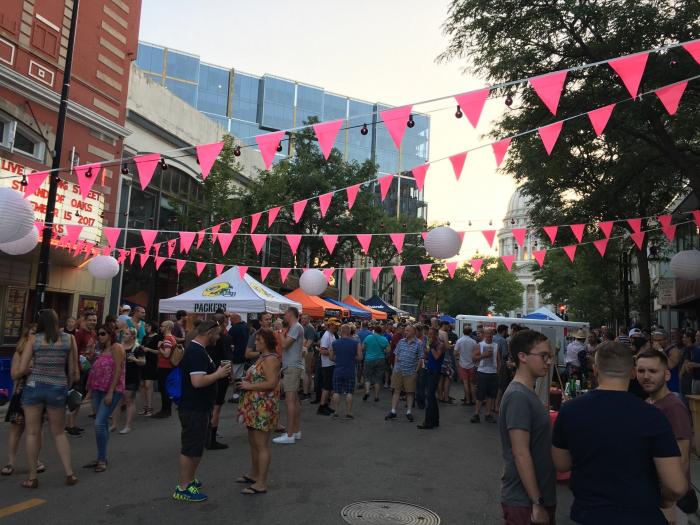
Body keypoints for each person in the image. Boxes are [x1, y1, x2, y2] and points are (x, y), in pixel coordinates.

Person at [552, 342, 687, 524]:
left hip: (589, 514)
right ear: (632, 373)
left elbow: (561, 463)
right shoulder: (652, 416)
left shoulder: (570, 410)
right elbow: (676, 486)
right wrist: (665, 500)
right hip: (641, 516)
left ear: (595, 369)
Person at [499, 330, 556, 525]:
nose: (548, 361)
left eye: (549, 356)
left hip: (535, 498)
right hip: (525, 502)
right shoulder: (518, 396)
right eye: (543, 356)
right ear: (522, 357)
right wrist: (536, 502)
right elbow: (520, 453)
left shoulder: (526, 392)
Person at [18, 309, 79, 488]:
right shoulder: (69, 339)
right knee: (59, 433)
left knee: (32, 432)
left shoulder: (33, 339)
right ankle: (69, 473)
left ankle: (32, 477)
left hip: (34, 387)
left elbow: (22, 368)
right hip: (57, 387)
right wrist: (65, 385)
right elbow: (73, 371)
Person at [172, 320, 231, 503]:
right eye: (217, 333)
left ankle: (189, 480)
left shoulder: (199, 350)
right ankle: (183, 487)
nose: (219, 337)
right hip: (194, 407)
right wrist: (218, 374)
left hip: (198, 407)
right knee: (191, 448)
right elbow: (197, 382)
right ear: (209, 333)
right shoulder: (197, 351)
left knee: (196, 446)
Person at [637, 350, 695, 522]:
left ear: (667, 375)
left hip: (669, 501)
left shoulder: (673, 408)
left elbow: (682, 460)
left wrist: (667, 501)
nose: (646, 376)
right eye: (641, 371)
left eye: (653, 371)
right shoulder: (648, 403)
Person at [237, 327, 281, 495]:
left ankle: (261, 482)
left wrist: (249, 385)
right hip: (255, 405)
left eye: (258, 340)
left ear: (266, 342)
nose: (255, 343)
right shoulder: (263, 357)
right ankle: (254, 474)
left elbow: (271, 383)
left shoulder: (271, 359)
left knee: (261, 445)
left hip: (263, 406)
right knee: (254, 442)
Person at [2, 324, 45, 477]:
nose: (35, 336)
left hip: (39, 394)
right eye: (33, 333)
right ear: (27, 335)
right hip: (21, 394)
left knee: (36, 431)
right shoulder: (19, 353)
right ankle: (11, 462)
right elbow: (13, 375)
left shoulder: (43, 352)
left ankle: (35, 460)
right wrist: (25, 370)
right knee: (16, 430)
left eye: (38, 333)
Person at [84, 324, 125, 473]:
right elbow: (96, 369)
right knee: (101, 423)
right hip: (97, 389)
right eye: (98, 334)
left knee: (99, 423)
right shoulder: (101, 350)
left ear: (110, 334)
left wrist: (111, 392)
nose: (100, 336)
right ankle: (101, 456)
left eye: (103, 334)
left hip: (111, 390)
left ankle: (101, 459)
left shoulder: (116, 347)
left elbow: (118, 370)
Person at [272, 307, 304, 444]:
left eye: (285, 314)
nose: (283, 317)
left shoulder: (296, 326)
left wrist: (280, 330)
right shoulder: (295, 327)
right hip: (292, 366)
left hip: (292, 366)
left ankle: (290, 434)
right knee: (294, 400)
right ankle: (295, 431)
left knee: (289, 401)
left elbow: (284, 344)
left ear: (290, 314)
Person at [66, 311, 98, 436]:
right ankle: (69, 425)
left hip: (87, 369)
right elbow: (73, 352)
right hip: (78, 369)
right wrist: (75, 369)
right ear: (85, 320)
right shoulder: (79, 334)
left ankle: (73, 424)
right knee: (75, 397)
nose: (93, 322)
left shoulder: (93, 334)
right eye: (90, 320)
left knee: (80, 397)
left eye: (94, 320)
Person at [386, 325, 423, 423]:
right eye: (405, 330)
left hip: (410, 372)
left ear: (413, 332)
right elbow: (396, 354)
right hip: (398, 371)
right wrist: (395, 367)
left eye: (408, 330)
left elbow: (420, 358)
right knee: (396, 391)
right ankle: (393, 411)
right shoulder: (401, 342)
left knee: (410, 392)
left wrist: (416, 371)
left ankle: (409, 412)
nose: (405, 332)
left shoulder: (419, 343)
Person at [111, 327, 145, 434]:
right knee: (117, 401)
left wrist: (135, 359)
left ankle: (127, 426)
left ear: (133, 336)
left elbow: (143, 362)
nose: (124, 336)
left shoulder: (137, 348)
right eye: (124, 334)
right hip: (119, 376)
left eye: (127, 334)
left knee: (129, 401)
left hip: (132, 377)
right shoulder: (119, 346)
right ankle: (114, 425)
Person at [329, 324, 362, 419]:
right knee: (349, 392)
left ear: (340, 331)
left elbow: (331, 357)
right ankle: (349, 413)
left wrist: (338, 359)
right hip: (350, 371)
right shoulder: (356, 343)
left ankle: (336, 412)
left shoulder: (334, 343)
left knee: (336, 392)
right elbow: (360, 357)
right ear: (349, 332)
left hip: (338, 370)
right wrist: (352, 358)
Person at [419, 327, 444, 430]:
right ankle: (435, 420)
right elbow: (429, 356)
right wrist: (426, 353)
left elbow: (437, 356)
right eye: (428, 334)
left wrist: (431, 348)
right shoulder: (431, 343)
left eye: (430, 334)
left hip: (435, 372)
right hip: (429, 370)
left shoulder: (439, 344)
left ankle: (428, 422)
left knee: (429, 396)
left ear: (435, 335)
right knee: (431, 396)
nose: (428, 336)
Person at [472, 329, 499, 423]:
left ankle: (488, 414)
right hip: (482, 372)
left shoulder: (496, 345)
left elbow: (498, 359)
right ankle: (476, 414)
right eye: (487, 334)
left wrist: (498, 371)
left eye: (491, 335)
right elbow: (473, 358)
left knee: (491, 395)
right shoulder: (480, 345)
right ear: (484, 335)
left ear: (493, 335)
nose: (489, 336)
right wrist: (484, 355)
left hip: (493, 373)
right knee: (480, 395)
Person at [153, 320, 176, 418]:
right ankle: (166, 410)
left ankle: (165, 410)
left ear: (167, 327)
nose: (160, 328)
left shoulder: (167, 339)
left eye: (162, 326)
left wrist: (159, 347)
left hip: (165, 367)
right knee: (166, 389)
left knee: (164, 389)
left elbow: (166, 354)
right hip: (169, 367)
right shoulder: (172, 338)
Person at [317, 318, 340, 416]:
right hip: (327, 365)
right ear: (330, 325)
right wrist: (334, 353)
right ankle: (321, 407)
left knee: (329, 387)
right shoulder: (326, 336)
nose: (337, 327)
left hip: (330, 364)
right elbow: (322, 351)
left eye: (337, 325)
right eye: (335, 325)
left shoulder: (332, 335)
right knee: (326, 387)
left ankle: (325, 405)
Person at [362, 325, 390, 402]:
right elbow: (388, 350)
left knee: (367, 377)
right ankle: (376, 396)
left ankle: (367, 391)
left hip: (369, 359)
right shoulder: (384, 339)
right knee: (378, 378)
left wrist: (369, 349)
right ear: (381, 331)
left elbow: (363, 347)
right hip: (380, 359)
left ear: (374, 330)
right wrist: (383, 351)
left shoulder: (368, 337)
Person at [139, 321, 160, 417]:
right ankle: (145, 407)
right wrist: (141, 348)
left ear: (153, 327)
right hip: (143, 361)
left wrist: (149, 349)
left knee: (148, 385)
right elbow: (142, 348)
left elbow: (159, 351)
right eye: (146, 326)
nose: (146, 327)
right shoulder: (145, 337)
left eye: (148, 326)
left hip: (152, 363)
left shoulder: (158, 337)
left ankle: (150, 408)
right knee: (142, 385)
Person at [653, 329, 683, 395]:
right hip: (659, 387)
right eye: (655, 340)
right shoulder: (656, 350)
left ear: (666, 340)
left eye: (659, 340)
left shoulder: (674, 350)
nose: (656, 343)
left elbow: (670, 365)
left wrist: (660, 350)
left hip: (672, 388)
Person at [228, 312, 249, 402]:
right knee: (239, 376)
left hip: (236, 356)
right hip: (244, 355)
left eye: (231, 320)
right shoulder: (246, 327)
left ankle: (236, 396)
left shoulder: (233, 329)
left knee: (234, 376)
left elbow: (229, 343)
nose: (230, 322)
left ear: (235, 319)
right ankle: (238, 395)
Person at [455, 326, 477, 406]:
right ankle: (474, 399)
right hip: (472, 364)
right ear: (470, 332)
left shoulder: (459, 341)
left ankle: (467, 400)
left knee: (465, 383)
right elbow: (476, 353)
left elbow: (455, 353)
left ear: (463, 332)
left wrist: (460, 354)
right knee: (472, 383)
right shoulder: (473, 342)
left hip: (462, 364)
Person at [494, 324, 511, 410]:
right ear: (504, 331)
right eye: (507, 331)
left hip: (493, 364)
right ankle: (497, 406)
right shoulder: (503, 340)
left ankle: (492, 405)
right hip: (501, 365)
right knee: (501, 386)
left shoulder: (493, 338)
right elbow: (504, 354)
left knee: (494, 385)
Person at [301, 314, 317, 398]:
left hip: (308, 352)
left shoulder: (310, 328)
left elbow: (309, 342)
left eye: (305, 318)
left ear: (309, 319)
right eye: (302, 318)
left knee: (307, 372)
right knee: (307, 372)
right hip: (305, 352)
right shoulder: (303, 327)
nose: (303, 320)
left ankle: (306, 392)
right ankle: (307, 389)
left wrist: (304, 351)